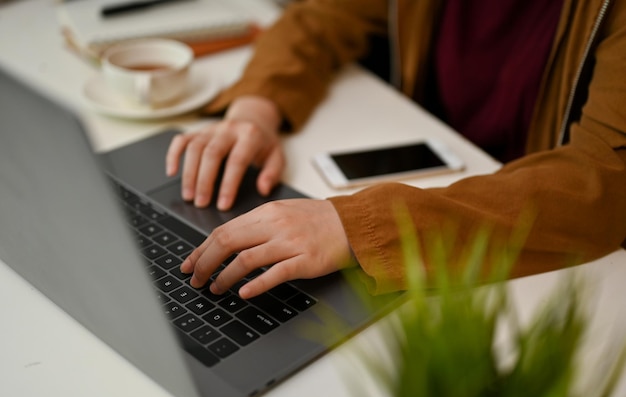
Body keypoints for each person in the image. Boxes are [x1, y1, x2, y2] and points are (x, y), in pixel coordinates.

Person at [165, 0, 626, 300]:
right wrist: (256, 110)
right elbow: (323, 17)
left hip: (539, 257)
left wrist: (354, 225)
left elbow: (605, 181)